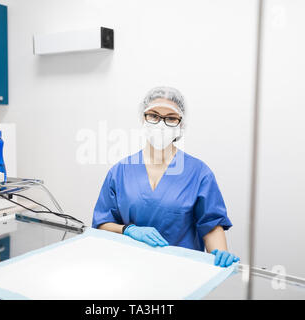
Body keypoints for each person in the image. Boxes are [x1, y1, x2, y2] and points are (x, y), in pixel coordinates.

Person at [92, 86, 239, 267]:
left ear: (181, 125)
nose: (161, 124)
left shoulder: (199, 173)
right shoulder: (120, 171)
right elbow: (101, 224)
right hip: (127, 267)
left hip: (180, 272)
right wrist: (128, 230)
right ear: (143, 119)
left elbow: (211, 225)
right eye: (153, 115)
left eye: (170, 118)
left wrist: (220, 255)